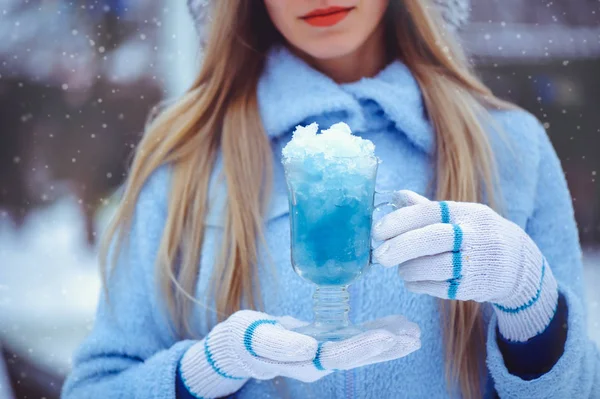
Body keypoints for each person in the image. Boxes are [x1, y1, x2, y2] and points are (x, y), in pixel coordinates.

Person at [62, 1, 600, 398]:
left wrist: (533, 306)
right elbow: (94, 388)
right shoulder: (187, 159)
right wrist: (202, 370)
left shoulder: (512, 147)